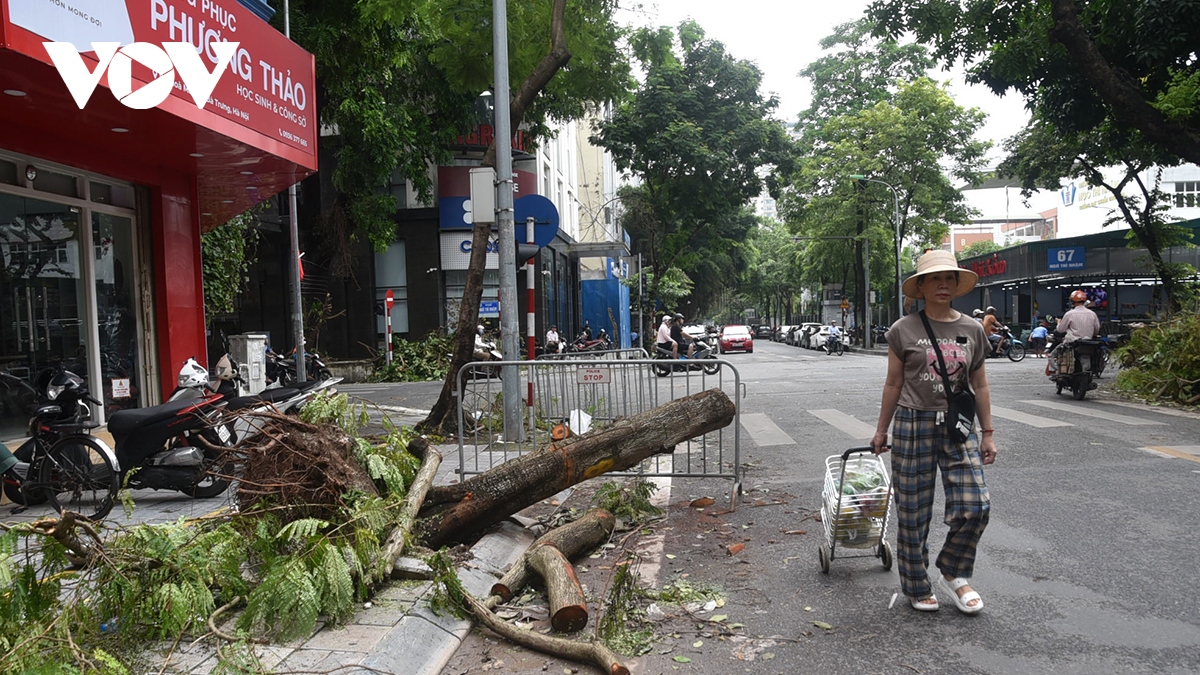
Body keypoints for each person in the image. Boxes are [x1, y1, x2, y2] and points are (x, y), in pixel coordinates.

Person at [871, 249, 996, 615]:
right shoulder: (903, 329)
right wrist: (882, 430)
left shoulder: (972, 328)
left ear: (957, 285)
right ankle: (916, 583)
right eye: (935, 279)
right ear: (921, 286)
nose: (943, 284)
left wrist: (987, 432)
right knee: (913, 510)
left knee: (976, 505)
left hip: (958, 425)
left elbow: (981, 384)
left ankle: (954, 572)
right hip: (913, 423)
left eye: (950, 278)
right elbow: (893, 384)